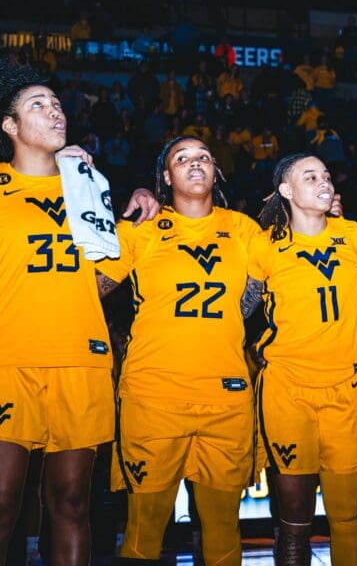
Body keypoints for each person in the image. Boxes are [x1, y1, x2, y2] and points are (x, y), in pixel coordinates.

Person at [0, 61, 158, 566]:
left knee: (70, 502)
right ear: (10, 126)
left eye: (58, 103)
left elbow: (107, 274)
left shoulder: (89, 184)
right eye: (37, 105)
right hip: (9, 360)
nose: (55, 111)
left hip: (81, 358)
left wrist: (138, 204)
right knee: (2, 500)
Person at [96, 136, 262, 565]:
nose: (195, 164)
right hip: (154, 394)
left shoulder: (243, 228)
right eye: (181, 158)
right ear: (166, 176)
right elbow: (93, 287)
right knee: (144, 532)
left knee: (224, 530)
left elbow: (260, 291)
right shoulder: (141, 228)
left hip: (225, 395)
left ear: (216, 172)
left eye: (204, 156)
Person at [249, 154, 357, 565]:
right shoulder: (263, 244)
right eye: (310, 175)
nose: (324, 181)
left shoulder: (352, 234)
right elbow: (239, 308)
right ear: (286, 190)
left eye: (327, 175)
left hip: (347, 389)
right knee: (296, 524)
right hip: (288, 389)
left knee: (347, 518)